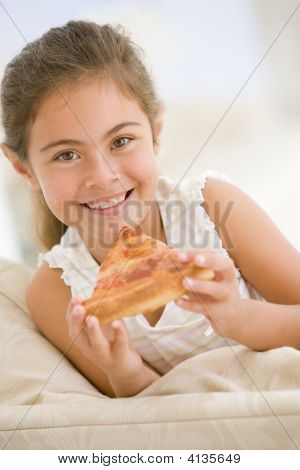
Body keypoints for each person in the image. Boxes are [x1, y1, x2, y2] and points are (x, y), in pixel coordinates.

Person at [1, 20, 300, 399]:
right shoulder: (54, 291)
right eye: (67, 154)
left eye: (121, 140)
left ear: (156, 131)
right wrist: (123, 373)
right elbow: (151, 416)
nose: (103, 176)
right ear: (23, 168)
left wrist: (241, 317)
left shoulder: (212, 209)